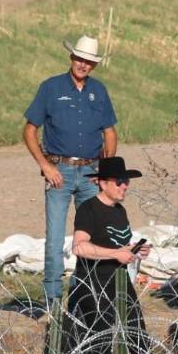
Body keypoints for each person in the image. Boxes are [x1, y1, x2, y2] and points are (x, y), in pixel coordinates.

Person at [62, 156, 159, 354]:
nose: (124, 186)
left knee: (139, 342)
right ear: (102, 183)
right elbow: (79, 247)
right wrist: (115, 254)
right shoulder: (88, 209)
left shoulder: (120, 212)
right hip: (93, 286)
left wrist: (134, 251)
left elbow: (120, 245)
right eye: (119, 182)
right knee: (100, 345)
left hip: (119, 284)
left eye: (126, 182)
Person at [23, 35, 119, 306]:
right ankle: (53, 300)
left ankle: (86, 294)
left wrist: (105, 169)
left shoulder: (99, 91)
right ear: (71, 58)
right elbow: (30, 130)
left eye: (88, 61)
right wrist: (45, 165)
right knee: (54, 241)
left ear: (94, 65)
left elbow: (110, 132)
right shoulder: (50, 87)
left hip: (91, 173)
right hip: (59, 173)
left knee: (93, 236)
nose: (82, 64)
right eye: (79, 58)